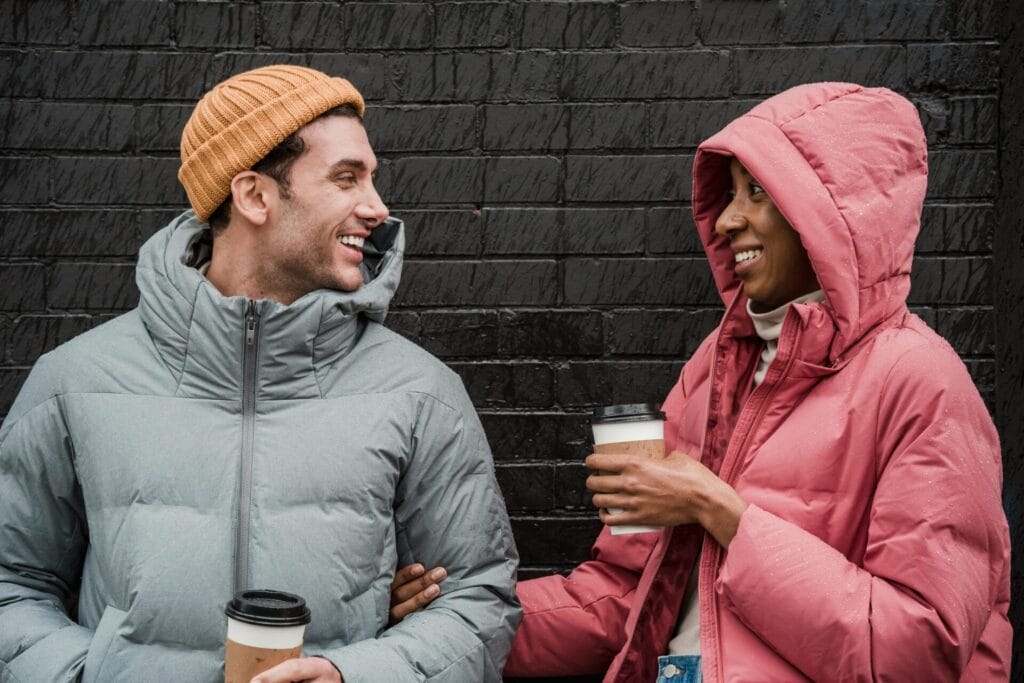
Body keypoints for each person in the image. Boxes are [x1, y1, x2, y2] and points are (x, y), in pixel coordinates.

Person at [391, 82, 1013, 681]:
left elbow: (922, 650)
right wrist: (454, 622)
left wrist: (719, 511)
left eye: (758, 193)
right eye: (729, 195)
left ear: (831, 213)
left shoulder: (921, 382)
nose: (725, 221)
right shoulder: (718, 364)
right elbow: (622, 599)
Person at [0, 65, 520, 683]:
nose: (377, 208)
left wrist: (355, 675)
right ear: (253, 196)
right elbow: (12, 582)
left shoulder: (420, 392)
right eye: (346, 178)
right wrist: (84, 675)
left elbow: (478, 599)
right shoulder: (74, 381)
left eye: (371, 179)